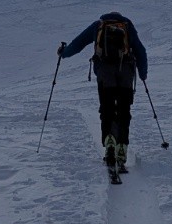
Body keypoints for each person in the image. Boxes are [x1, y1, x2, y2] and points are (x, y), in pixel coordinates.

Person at [58, 12, 147, 172]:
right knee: (124, 111)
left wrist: (63, 53)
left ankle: (110, 141)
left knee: (107, 109)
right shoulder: (127, 25)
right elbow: (140, 50)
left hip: (105, 73)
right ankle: (122, 147)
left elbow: (79, 43)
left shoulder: (98, 25)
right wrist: (143, 74)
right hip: (126, 73)